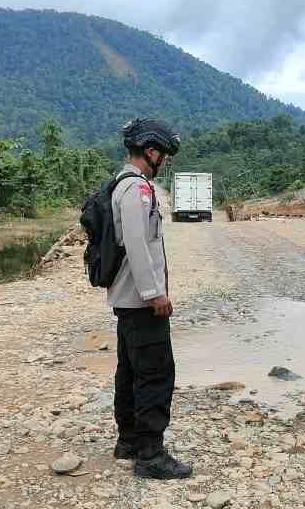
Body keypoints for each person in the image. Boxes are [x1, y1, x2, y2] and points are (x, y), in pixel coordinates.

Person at [108, 118, 192, 479]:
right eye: (164, 155)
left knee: (130, 372)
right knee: (155, 374)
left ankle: (128, 441)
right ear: (151, 151)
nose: (165, 162)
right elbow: (139, 247)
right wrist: (154, 294)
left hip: (127, 300)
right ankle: (150, 454)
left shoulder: (123, 185)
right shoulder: (137, 190)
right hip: (141, 302)